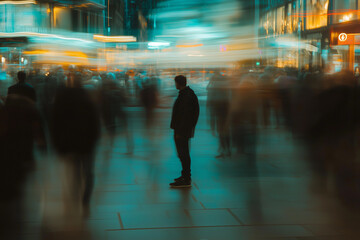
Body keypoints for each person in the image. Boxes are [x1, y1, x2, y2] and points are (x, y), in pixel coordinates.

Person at [169, 75, 199, 188]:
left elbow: (185, 116)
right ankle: (185, 176)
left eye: (175, 83)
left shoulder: (186, 96)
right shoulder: (187, 94)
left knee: (183, 154)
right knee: (183, 154)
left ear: (178, 83)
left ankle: (186, 178)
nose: (174, 84)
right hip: (183, 130)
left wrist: (180, 132)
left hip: (182, 131)